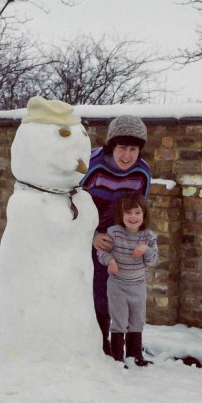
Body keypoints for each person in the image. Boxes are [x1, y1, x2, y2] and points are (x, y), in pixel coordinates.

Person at [80, 115, 152, 356]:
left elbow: (138, 211)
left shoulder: (141, 173)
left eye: (133, 149)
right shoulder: (92, 166)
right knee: (96, 290)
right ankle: (99, 346)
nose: (126, 155)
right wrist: (92, 235)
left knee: (120, 292)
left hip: (118, 239)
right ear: (112, 146)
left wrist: (135, 240)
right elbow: (71, 204)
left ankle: (122, 349)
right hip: (86, 234)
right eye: (122, 147)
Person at [96, 193, 158, 366]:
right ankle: (117, 356)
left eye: (137, 213)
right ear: (121, 215)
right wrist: (110, 261)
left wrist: (146, 250)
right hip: (118, 286)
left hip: (138, 286)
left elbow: (153, 261)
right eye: (128, 212)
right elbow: (102, 252)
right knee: (120, 320)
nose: (133, 217)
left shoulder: (148, 237)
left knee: (137, 320)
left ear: (144, 215)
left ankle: (135, 355)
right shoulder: (114, 233)